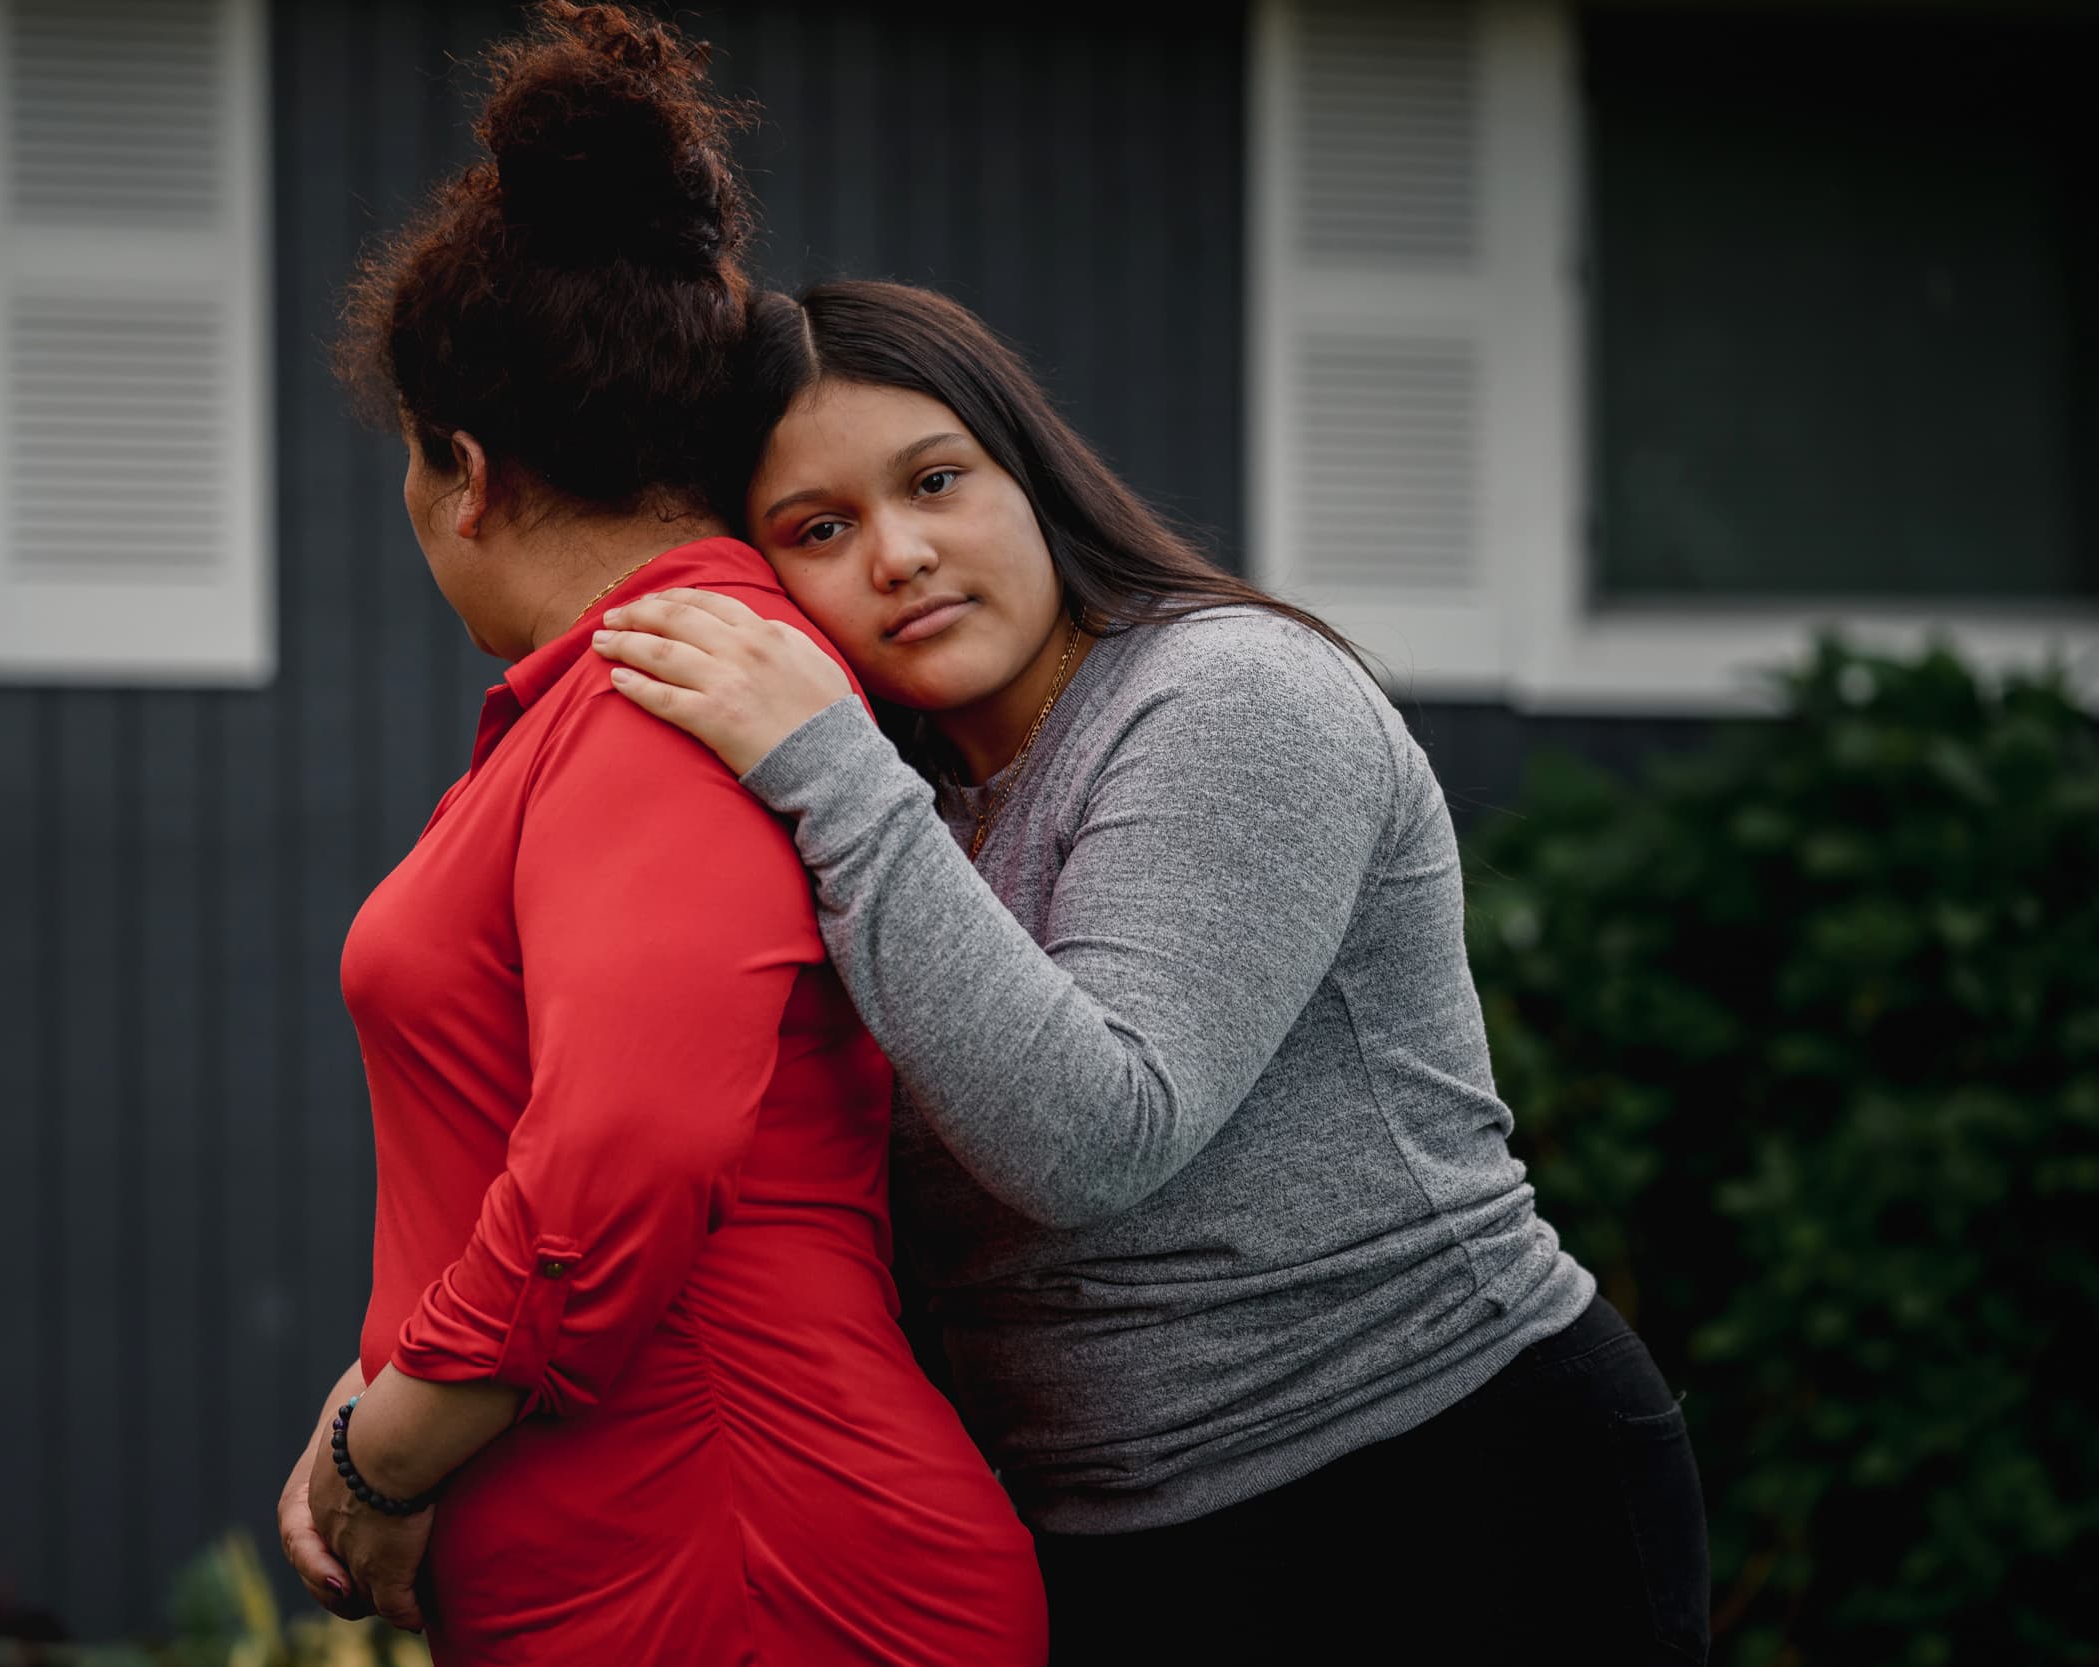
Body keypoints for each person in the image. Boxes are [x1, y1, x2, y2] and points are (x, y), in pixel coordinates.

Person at [590, 280, 1713, 1665]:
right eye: (819, 530)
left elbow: (1093, 1137)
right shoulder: (908, 810)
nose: (898, 554)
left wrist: (824, 761)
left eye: (935, 481)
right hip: (1122, 1539)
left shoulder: (1233, 697)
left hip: (1443, 1484)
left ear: (1031, 472)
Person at [270, 16, 1045, 1665]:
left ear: (463, 473)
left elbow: (627, 1154)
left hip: (754, 1566)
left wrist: (377, 1459)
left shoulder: (663, 695)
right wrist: (390, 1383)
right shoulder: (630, 692)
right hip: (677, 1559)